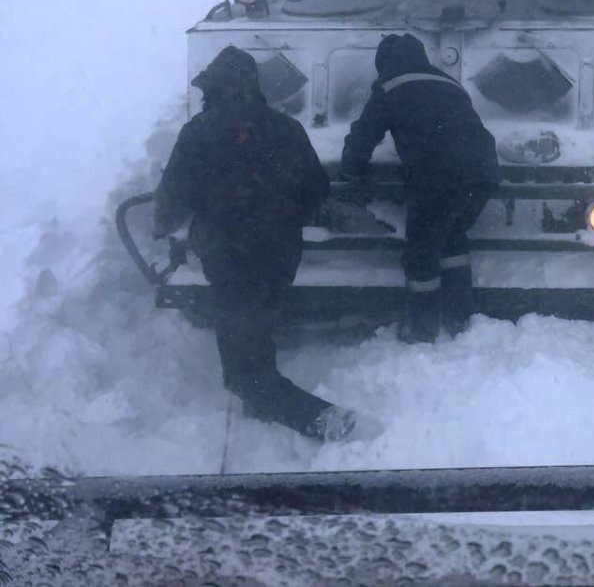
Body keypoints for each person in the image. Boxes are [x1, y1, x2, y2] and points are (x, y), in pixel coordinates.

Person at [154, 45, 357, 442]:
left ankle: (329, 423)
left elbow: (172, 200)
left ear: (213, 89)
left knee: (241, 373)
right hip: (279, 253)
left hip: (227, 256)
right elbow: (317, 191)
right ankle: (262, 410)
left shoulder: (198, 131)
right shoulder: (287, 129)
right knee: (256, 326)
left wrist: (163, 227)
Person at [341, 33, 499, 342]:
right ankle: (460, 318)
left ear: (383, 64)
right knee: (451, 240)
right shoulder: (447, 82)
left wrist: (352, 171)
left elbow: (365, 134)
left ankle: (421, 327)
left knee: (422, 251)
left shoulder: (390, 85)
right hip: (482, 171)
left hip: (438, 173)